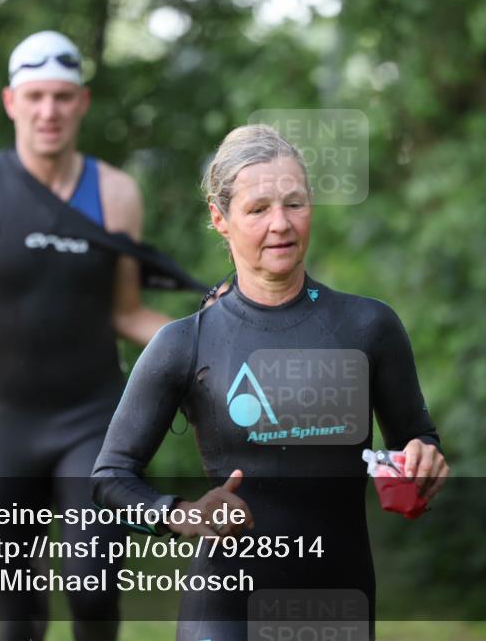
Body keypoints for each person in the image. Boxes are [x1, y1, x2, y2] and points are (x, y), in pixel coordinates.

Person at [0, 31, 201, 641]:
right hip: (4, 427)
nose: (49, 111)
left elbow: (126, 313)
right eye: (36, 96)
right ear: (11, 102)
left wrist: (211, 347)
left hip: (95, 422)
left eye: (63, 96)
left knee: (92, 586)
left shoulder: (117, 193)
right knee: (19, 612)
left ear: (83, 102)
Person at [91, 124, 450, 640]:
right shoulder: (185, 343)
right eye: (258, 209)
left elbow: (417, 443)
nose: (280, 224)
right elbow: (109, 478)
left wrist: (422, 462)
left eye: (294, 204)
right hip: (224, 612)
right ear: (220, 219)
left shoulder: (369, 327)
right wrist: (182, 515)